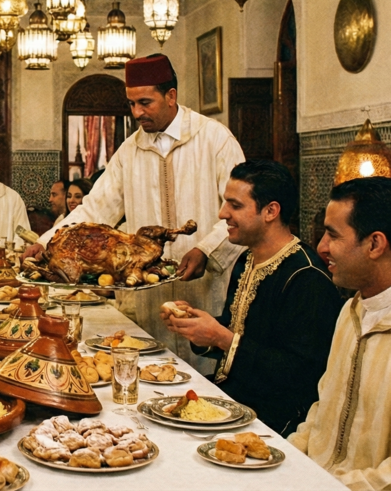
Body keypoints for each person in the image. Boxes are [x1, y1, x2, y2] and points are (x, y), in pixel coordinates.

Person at [24, 54, 245, 368]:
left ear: (171, 96)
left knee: (202, 377)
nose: (137, 112)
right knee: (149, 372)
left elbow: (239, 211)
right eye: (131, 104)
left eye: (145, 102)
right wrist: (45, 244)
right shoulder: (129, 150)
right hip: (142, 291)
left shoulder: (215, 140)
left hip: (201, 289)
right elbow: (94, 209)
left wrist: (205, 250)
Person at [162, 160, 341, 435]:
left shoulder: (307, 277)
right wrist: (199, 328)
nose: (222, 214)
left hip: (276, 422)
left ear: (270, 211)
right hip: (231, 399)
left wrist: (221, 337)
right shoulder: (247, 259)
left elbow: (301, 374)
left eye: (235, 205)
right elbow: (242, 330)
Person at [288, 177, 391, 489]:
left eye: (332, 235)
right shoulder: (350, 312)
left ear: (375, 244)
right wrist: (284, 458)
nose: (321, 248)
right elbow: (324, 407)